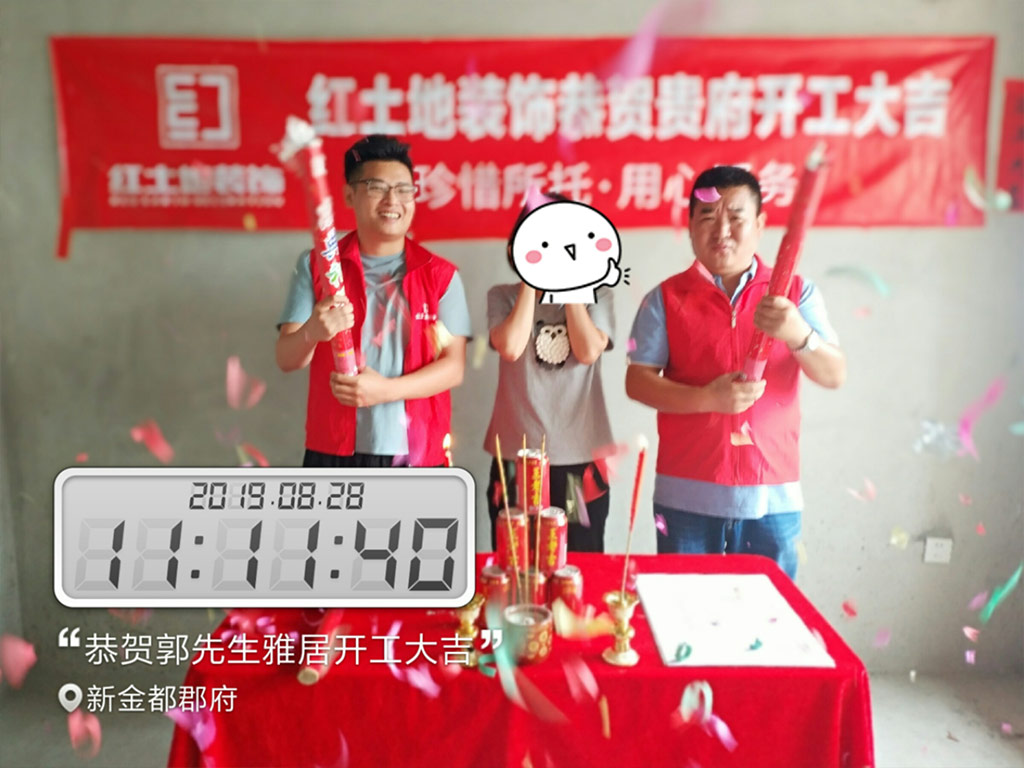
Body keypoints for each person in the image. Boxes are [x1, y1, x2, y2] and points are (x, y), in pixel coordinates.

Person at [625, 165, 846, 579]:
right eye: (708, 217)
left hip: (772, 495)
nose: (722, 230)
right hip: (685, 496)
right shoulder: (664, 298)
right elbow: (637, 382)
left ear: (760, 225)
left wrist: (798, 333)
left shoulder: (796, 295)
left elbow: (834, 373)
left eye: (736, 217)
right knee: (683, 611)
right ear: (690, 226)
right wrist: (707, 398)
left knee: (769, 611)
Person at [276, 134, 470, 468]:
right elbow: (286, 358)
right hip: (334, 449)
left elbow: (454, 367)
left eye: (404, 189)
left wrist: (386, 391)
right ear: (349, 195)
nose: (393, 200)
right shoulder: (316, 266)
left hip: (418, 454)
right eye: (377, 187)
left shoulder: (441, 276)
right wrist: (312, 332)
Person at [484, 192, 616, 552]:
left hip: (579, 463)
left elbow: (588, 351)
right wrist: (533, 278)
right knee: (517, 562)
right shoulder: (503, 296)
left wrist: (569, 281)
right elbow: (511, 346)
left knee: (579, 557)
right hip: (515, 458)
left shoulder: (598, 295)